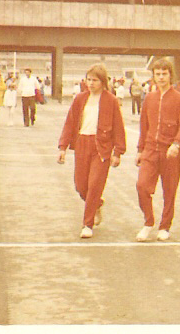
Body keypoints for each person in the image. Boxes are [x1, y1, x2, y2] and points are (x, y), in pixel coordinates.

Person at [57, 64, 126, 239]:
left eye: (95, 80)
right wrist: (62, 147)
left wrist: (118, 152)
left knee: (94, 184)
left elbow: (118, 127)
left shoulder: (110, 100)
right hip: (82, 144)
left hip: (101, 148)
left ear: (103, 82)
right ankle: (96, 204)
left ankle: (87, 224)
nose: (91, 83)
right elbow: (70, 123)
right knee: (81, 186)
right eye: (88, 79)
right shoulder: (80, 99)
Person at [135, 58, 180, 242]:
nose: (160, 77)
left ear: (170, 75)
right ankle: (148, 222)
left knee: (169, 191)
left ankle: (165, 226)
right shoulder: (149, 98)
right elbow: (144, 127)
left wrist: (177, 144)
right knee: (142, 185)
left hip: (170, 152)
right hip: (151, 150)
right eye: (157, 74)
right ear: (153, 76)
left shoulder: (179, 99)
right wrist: (140, 150)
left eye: (164, 74)